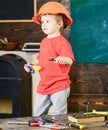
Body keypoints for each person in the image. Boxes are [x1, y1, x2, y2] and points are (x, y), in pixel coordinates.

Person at [24, 1, 75, 116]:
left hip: (59, 85)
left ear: (59, 24)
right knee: (37, 115)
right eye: (42, 22)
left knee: (58, 115)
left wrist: (64, 59)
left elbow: (70, 60)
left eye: (47, 21)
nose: (43, 25)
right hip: (44, 85)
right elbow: (41, 61)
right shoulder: (44, 42)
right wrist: (32, 65)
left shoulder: (63, 42)